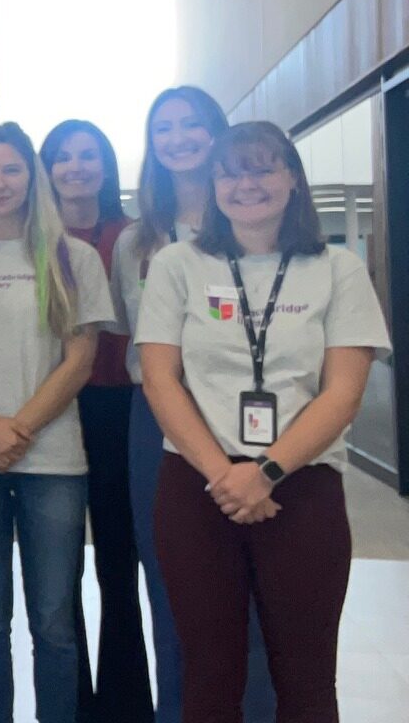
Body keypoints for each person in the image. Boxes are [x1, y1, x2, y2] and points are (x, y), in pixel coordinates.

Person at [137, 121, 389, 722]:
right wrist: (225, 474)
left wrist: (265, 472)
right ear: (213, 185)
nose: (245, 185)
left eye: (261, 169)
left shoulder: (336, 268)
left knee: (306, 678)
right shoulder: (178, 264)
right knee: (209, 673)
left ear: (293, 179)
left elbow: (342, 392)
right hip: (198, 485)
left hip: (303, 486)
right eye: (229, 173)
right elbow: (160, 379)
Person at [0, 122, 114, 723]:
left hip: (54, 462)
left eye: (11, 169)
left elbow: (80, 359)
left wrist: (17, 430)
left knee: (54, 621)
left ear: (31, 175)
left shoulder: (72, 257)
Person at [108, 87, 275, 723]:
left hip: (246, 416)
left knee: (255, 584)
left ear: (218, 132)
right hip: (156, 418)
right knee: (172, 583)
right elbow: (131, 333)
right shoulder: (135, 242)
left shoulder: (253, 226)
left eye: (192, 125)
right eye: (164, 129)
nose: (178, 139)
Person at [39, 120, 151, 723]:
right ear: (48, 169)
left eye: (87, 156)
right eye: (63, 157)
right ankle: (74, 703)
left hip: (120, 408)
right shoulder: (34, 240)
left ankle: (127, 706)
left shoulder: (135, 237)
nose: (75, 167)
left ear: (106, 167)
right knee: (58, 570)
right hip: (54, 408)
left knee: (117, 561)